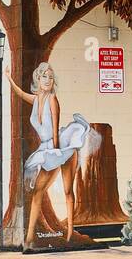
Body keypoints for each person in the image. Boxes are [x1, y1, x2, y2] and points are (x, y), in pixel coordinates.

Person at [6, 62, 92, 249]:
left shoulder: (53, 100)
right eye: (44, 76)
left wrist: (54, 152)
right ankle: (29, 238)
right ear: (38, 78)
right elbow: (20, 93)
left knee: (68, 190)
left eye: (51, 77)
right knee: (37, 191)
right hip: (46, 149)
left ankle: (69, 232)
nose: (48, 80)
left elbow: (54, 128)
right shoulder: (37, 98)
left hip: (60, 148)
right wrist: (9, 78)